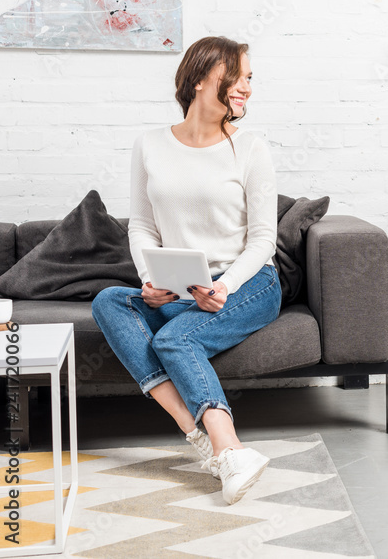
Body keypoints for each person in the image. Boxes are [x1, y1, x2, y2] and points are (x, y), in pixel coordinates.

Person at [92, 36, 282, 502]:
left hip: (248, 283)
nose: (246, 88)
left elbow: (262, 240)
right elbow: (140, 225)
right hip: (180, 286)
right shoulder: (150, 145)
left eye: (250, 78)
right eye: (235, 77)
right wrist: (150, 281)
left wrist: (226, 284)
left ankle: (228, 447)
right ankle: (192, 426)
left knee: (173, 338)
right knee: (109, 301)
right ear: (199, 80)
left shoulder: (253, 147)